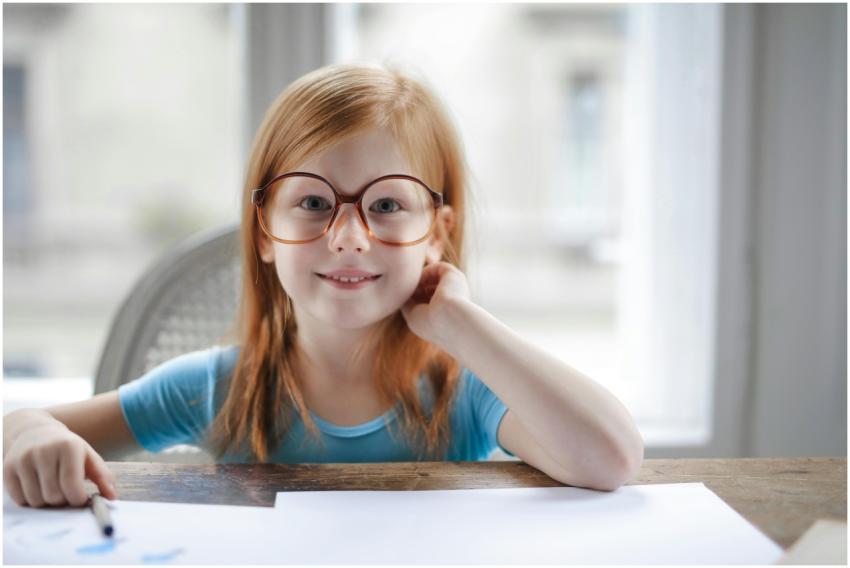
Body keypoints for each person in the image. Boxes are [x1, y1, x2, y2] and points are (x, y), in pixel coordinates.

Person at [3, 63, 644, 508]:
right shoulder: (216, 389)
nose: (347, 237)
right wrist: (30, 434)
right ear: (262, 231)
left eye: (388, 206)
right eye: (312, 203)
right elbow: (21, 426)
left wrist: (461, 323)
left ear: (438, 232)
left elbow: (611, 458)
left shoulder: (466, 392)